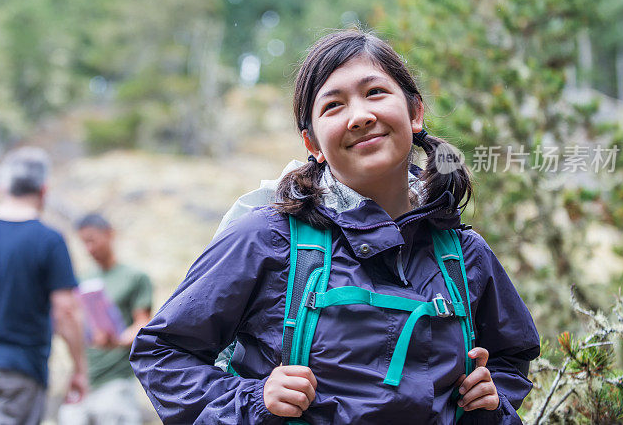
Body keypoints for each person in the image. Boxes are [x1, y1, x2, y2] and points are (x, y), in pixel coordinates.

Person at [130, 29, 540, 424]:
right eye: (333, 106)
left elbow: (511, 356)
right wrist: (254, 401)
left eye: (375, 92)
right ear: (312, 144)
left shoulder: (464, 255)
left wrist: (492, 401)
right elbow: (162, 354)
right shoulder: (265, 239)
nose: (360, 116)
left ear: (415, 113)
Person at [0, 147, 88, 424]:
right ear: (43, 189)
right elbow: (65, 312)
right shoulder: (49, 241)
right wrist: (79, 368)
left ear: (3, 187)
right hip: (20, 371)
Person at [58, 213, 153, 425]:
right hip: (85, 379)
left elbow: (143, 325)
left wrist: (118, 340)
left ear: (109, 234)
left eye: (92, 240)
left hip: (116, 380)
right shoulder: (81, 282)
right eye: (84, 243)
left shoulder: (134, 277)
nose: (89, 248)